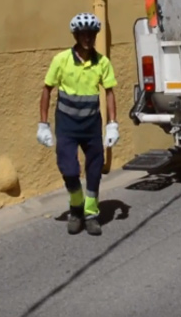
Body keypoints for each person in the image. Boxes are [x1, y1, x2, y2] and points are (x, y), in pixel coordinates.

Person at [37, 12, 120, 236]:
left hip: (91, 124)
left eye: (91, 34)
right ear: (75, 35)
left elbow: (110, 92)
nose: (88, 38)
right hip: (67, 125)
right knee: (69, 170)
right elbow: (47, 89)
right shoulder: (61, 60)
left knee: (94, 170)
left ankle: (91, 213)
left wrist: (113, 123)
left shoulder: (102, 62)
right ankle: (76, 208)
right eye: (83, 34)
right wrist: (43, 124)